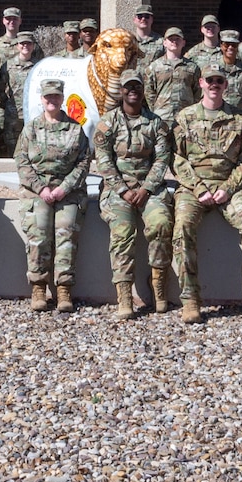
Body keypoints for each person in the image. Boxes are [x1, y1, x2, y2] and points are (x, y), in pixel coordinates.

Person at [172, 63, 242, 327]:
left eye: (219, 81)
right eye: (210, 80)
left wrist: (227, 188)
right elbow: (177, 159)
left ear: (225, 85)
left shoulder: (240, 118)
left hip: (229, 186)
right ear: (201, 84)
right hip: (194, 188)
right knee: (182, 226)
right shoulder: (185, 117)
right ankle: (190, 299)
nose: (214, 84)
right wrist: (198, 188)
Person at [91, 71, 175, 320]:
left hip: (149, 188)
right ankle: (124, 292)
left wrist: (146, 188)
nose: (133, 91)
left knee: (161, 223)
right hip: (118, 190)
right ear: (121, 91)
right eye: (128, 87)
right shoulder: (108, 123)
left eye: (137, 87)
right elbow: (103, 161)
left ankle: (158, 282)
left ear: (143, 90)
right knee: (122, 231)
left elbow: (162, 159)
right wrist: (123, 190)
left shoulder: (156, 123)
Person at [11, 77, 93, 316]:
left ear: (62, 98)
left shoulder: (75, 129)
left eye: (56, 96)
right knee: (39, 230)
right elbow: (21, 160)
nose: (52, 100)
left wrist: (63, 188)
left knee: (66, 230)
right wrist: (41, 188)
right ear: (42, 99)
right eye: (48, 96)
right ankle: (38, 287)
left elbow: (83, 162)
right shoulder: (31, 128)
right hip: (38, 191)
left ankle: (64, 288)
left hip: (67, 191)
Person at [145, 28, 201, 124]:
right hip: (162, 117)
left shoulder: (192, 67)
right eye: (171, 39)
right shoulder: (155, 67)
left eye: (177, 39)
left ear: (183, 43)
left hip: (185, 118)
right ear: (165, 43)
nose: (174, 42)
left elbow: (198, 92)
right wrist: (156, 109)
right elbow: (149, 92)